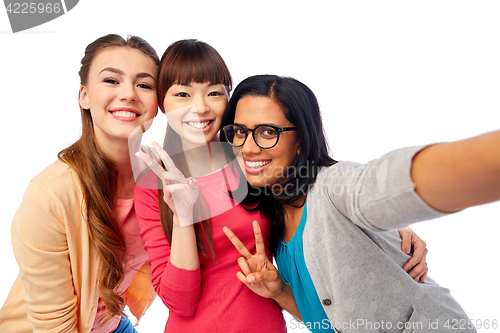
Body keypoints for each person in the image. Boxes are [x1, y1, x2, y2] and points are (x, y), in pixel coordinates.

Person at [133, 42, 431, 332]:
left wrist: (388, 230)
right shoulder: (153, 184)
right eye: (182, 93)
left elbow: (317, 192)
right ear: (162, 102)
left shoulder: (249, 160)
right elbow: (180, 302)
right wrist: (184, 219)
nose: (199, 107)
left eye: (214, 93)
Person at [221, 74, 499, 332]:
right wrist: (280, 290)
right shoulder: (270, 211)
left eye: (268, 132)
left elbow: (379, 186)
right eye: (240, 131)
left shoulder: (333, 185)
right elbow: (330, 320)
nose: (247, 147)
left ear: (301, 140)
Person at [0, 34, 160, 333]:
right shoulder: (50, 196)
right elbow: (54, 328)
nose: (129, 94)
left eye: (144, 84)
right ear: (84, 96)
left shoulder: (162, 177)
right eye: (111, 80)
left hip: (111, 324)